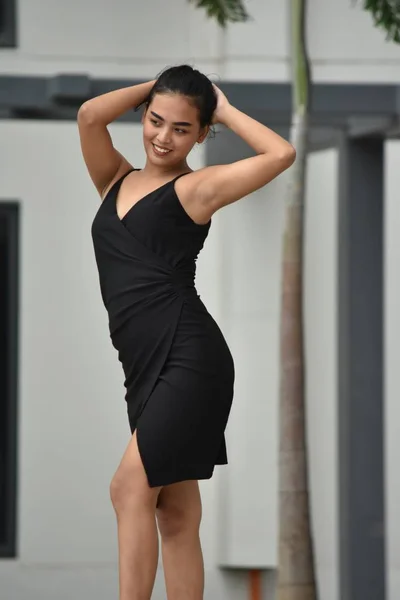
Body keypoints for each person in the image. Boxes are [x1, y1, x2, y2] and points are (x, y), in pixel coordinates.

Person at [78, 65, 295, 600]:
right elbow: (89, 116)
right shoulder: (114, 179)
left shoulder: (196, 189)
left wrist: (222, 108)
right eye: (155, 120)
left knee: (128, 488)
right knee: (175, 514)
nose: (162, 137)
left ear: (201, 134)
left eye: (181, 128)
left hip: (188, 359)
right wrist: (153, 86)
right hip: (144, 366)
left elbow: (281, 155)